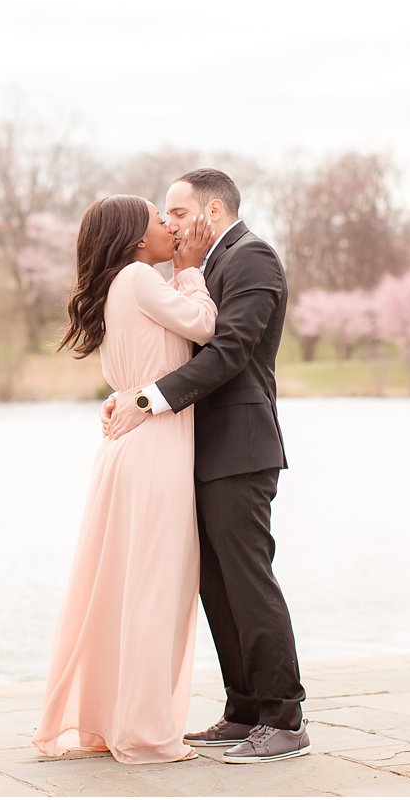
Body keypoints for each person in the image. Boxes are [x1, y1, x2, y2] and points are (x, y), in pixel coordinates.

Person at [103, 168, 309, 763]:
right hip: (196, 446)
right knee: (215, 584)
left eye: (175, 211)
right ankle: (244, 710)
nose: (168, 223)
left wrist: (150, 399)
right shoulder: (195, 266)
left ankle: (285, 717)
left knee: (249, 580)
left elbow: (230, 350)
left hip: (240, 447)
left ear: (211, 213)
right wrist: (128, 389)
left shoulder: (253, 258)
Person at [32, 194, 218, 764]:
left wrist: (124, 397)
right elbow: (206, 327)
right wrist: (191, 276)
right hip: (155, 446)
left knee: (122, 584)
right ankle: (142, 730)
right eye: (160, 220)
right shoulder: (140, 276)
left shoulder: (119, 284)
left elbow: (139, 366)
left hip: (129, 445)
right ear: (139, 238)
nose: (170, 227)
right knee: (154, 586)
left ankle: (109, 721)